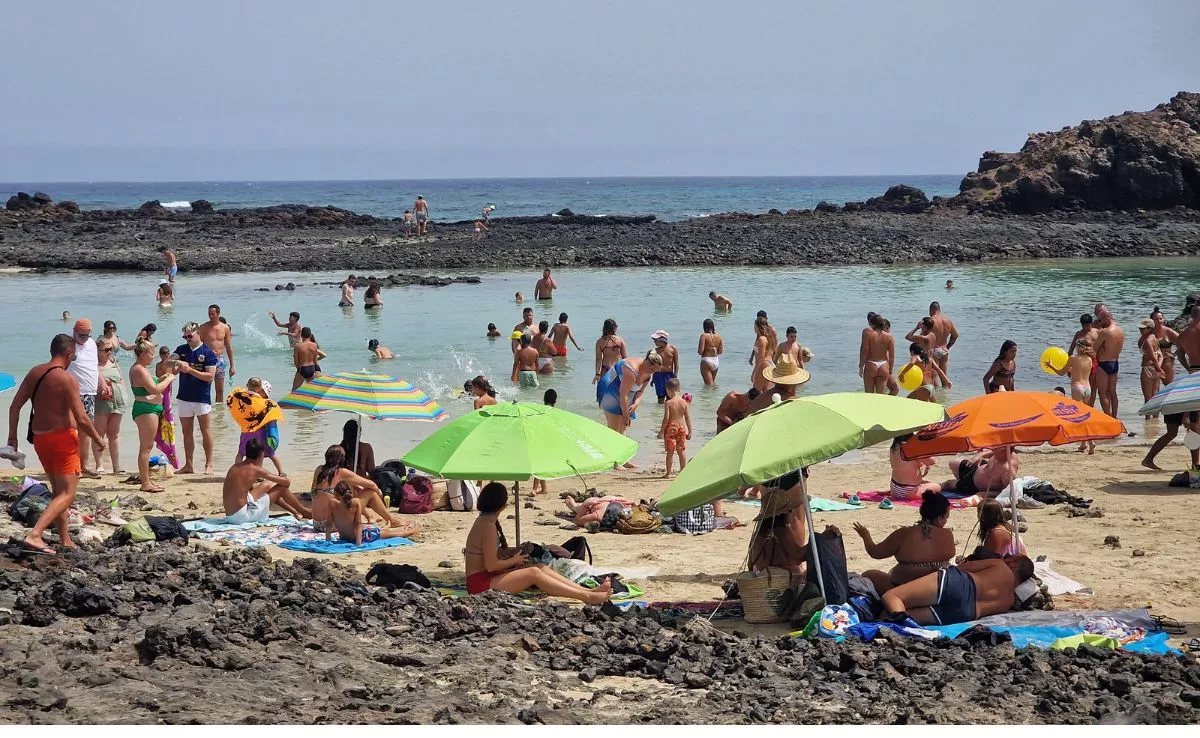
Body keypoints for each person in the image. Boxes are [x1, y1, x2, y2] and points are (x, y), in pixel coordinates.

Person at [6, 334, 107, 554]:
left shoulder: (35, 372)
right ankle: (35, 534)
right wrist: (99, 439)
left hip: (40, 438)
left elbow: (14, 407)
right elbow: (81, 418)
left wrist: (12, 437)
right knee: (68, 494)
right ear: (69, 353)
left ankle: (65, 540)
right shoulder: (67, 378)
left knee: (58, 491)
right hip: (63, 439)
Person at [464, 483, 612, 603]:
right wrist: (515, 560)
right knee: (533, 573)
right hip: (480, 585)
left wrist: (512, 551)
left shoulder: (485, 520)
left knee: (540, 567)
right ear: (502, 505)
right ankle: (586, 597)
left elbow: (489, 554)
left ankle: (587, 591)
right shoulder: (488, 526)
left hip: (486, 577)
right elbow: (491, 566)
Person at [881, 555, 1034, 626]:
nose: (1006, 558)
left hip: (958, 585)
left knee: (892, 596)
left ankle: (898, 621)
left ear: (1014, 563)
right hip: (965, 612)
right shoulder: (1008, 601)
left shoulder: (1000, 566)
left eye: (1010, 557)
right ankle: (903, 628)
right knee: (899, 616)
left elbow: (963, 568)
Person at [854, 491, 955, 594]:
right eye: (946, 517)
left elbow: (875, 552)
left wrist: (865, 536)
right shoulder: (948, 535)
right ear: (939, 519)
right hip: (938, 589)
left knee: (869, 574)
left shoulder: (904, 534)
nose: (946, 521)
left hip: (905, 592)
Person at [310, 445, 409, 532]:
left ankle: (370, 516)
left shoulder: (319, 470)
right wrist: (379, 494)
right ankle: (393, 520)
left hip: (317, 525)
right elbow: (371, 485)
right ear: (342, 459)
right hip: (333, 526)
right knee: (370, 492)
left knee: (350, 488)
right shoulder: (341, 472)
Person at [222, 438, 309, 524]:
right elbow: (286, 482)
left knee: (267, 485)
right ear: (261, 455)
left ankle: (295, 511)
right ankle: (303, 511)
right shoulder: (256, 470)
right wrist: (279, 475)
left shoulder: (235, 467)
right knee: (281, 488)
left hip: (231, 516)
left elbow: (245, 488)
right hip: (242, 517)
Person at [128, 340, 176, 492]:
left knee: (147, 447)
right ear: (142, 354)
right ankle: (145, 483)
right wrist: (168, 379)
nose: (153, 357)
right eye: (150, 354)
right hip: (146, 410)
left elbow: (153, 383)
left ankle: (146, 481)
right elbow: (155, 389)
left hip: (151, 409)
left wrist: (165, 376)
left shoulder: (142, 368)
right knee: (146, 448)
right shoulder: (138, 369)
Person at [173, 321, 218, 475]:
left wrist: (190, 370)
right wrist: (176, 362)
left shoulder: (208, 352)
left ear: (198, 333)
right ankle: (188, 465)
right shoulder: (182, 349)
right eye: (185, 336)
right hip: (184, 396)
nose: (187, 339)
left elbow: (210, 377)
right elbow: (169, 361)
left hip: (201, 397)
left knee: (205, 430)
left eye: (190, 336)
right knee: (187, 432)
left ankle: (209, 464)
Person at [748, 480, 808, 577]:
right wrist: (814, 544)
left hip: (759, 575)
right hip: (778, 578)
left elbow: (750, 562)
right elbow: (797, 557)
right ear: (783, 514)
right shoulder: (783, 532)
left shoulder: (758, 533)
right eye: (790, 510)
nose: (792, 513)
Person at [328, 481, 421, 544]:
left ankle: (387, 526)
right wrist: (358, 543)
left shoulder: (332, 503)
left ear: (335, 494)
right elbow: (358, 523)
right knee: (388, 533)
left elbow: (329, 524)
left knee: (379, 530)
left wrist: (327, 540)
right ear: (351, 493)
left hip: (343, 538)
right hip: (358, 537)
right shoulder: (356, 502)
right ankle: (412, 531)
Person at [1049, 338, 1098, 453]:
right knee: (1085, 415)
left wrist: (1051, 366)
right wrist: (1071, 370)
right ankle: (1083, 443)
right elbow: (1081, 371)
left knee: (1080, 418)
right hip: (1087, 388)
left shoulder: (1072, 358)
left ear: (1079, 347)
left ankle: (1090, 441)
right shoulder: (1090, 360)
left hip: (1077, 388)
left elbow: (1061, 373)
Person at [596, 350, 661, 435]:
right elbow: (623, 395)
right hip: (610, 388)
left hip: (627, 392)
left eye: (655, 371)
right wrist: (626, 416)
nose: (653, 373)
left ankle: (619, 446)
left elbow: (640, 391)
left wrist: (636, 404)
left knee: (623, 429)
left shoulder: (648, 373)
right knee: (614, 429)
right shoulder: (631, 370)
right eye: (652, 370)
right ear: (647, 363)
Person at [68, 319, 102, 479]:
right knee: (71, 430)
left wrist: (102, 383)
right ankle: (72, 466)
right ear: (74, 331)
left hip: (90, 393)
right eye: (81, 335)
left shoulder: (92, 344)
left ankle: (84, 466)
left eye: (87, 335)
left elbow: (94, 366)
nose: (84, 338)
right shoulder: (67, 343)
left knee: (85, 431)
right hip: (73, 393)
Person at [91, 339, 127, 476]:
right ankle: (99, 465)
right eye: (105, 350)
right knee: (99, 434)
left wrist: (123, 392)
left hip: (117, 401)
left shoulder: (113, 361)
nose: (109, 352)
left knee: (114, 434)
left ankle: (116, 466)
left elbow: (121, 378)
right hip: (102, 402)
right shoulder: (94, 365)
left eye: (110, 349)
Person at [234, 377, 283, 475]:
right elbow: (273, 417)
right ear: (260, 389)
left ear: (247, 386)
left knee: (241, 452)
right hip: (260, 433)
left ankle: (237, 472)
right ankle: (280, 472)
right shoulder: (266, 404)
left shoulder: (244, 399)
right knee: (267, 453)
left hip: (246, 432)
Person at [1093, 305, 1125, 418]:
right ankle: (1114, 416)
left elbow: (1094, 349)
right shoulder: (1120, 330)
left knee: (1102, 393)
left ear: (1107, 318)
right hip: (1115, 363)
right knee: (1113, 392)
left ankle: (1108, 417)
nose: (1100, 323)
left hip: (1103, 363)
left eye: (1101, 320)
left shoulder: (1104, 332)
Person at [943, 447, 1018, 496]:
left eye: (996, 450)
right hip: (978, 468)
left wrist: (985, 494)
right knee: (953, 463)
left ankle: (960, 483)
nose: (993, 451)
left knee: (948, 484)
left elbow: (1008, 492)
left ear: (1005, 451)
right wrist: (980, 455)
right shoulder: (1000, 452)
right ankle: (960, 480)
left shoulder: (1007, 470)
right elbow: (990, 452)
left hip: (974, 486)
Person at [199, 304, 235, 403]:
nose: (210, 316)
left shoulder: (225, 328)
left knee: (220, 390)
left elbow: (229, 347)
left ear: (218, 313)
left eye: (212, 314)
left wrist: (232, 365)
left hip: (220, 360)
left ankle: (219, 414)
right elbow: (199, 346)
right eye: (209, 314)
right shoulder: (203, 327)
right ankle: (206, 409)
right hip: (207, 360)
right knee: (205, 389)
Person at [888, 434, 941, 500]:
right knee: (937, 486)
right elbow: (931, 461)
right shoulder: (912, 448)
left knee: (926, 481)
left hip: (894, 488)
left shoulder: (894, 447)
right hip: (909, 492)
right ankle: (905, 494)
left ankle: (897, 492)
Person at [657, 378, 692, 478]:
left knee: (670, 452)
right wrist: (690, 431)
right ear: (679, 389)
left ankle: (668, 473)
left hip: (671, 429)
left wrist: (661, 431)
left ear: (668, 390)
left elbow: (666, 418)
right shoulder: (684, 402)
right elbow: (688, 418)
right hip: (681, 428)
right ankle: (683, 473)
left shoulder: (668, 403)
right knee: (681, 451)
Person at [859, 313, 893, 394]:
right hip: (884, 365)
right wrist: (890, 369)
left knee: (869, 395)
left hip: (871, 364)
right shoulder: (889, 337)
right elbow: (892, 355)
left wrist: (861, 365)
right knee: (880, 397)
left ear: (872, 324)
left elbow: (865, 350)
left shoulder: (868, 334)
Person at [1137, 318, 1165, 414]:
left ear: (1150, 328)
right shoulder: (1154, 338)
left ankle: (1148, 421)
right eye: (1140, 328)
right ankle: (1155, 421)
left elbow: (1153, 358)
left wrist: (1159, 369)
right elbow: (1160, 355)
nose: (1140, 330)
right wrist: (1159, 369)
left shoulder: (1148, 341)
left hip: (1147, 370)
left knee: (1148, 398)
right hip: (1155, 369)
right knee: (1155, 396)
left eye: (1143, 329)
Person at [928, 301, 959, 388]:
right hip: (944, 350)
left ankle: (936, 399)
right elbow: (955, 335)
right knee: (944, 377)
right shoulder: (948, 321)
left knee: (934, 378)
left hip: (934, 350)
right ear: (939, 309)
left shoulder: (931, 321)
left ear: (931, 310)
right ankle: (944, 397)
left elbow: (924, 337)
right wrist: (948, 346)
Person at [593, 318, 627, 386]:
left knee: (604, 393)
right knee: (618, 393)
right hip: (618, 369)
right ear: (614, 328)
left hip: (606, 369)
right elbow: (625, 358)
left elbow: (598, 359)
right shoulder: (620, 340)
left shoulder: (600, 342)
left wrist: (597, 374)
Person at [1151, 307, 1180, 386]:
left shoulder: (1168, 331)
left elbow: (1183, 341)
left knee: (1168, 385)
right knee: (1154, 388)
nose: (1159, 321)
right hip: (1153, 362)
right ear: (1152, 321)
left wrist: (1174, 354)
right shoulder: (1150, 331)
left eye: (1160, 319)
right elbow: (1141, 345)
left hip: (1166, 361)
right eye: (1156, 319)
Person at [650, 330, 679, 404]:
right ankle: (660, 413)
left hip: (669, 375)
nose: (654, 342)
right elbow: (653, 365)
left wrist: (675, 375)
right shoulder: (655, 351)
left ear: (661, 340)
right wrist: (653, 378)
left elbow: (676, 364)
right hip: (658, 375)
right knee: (660, 397)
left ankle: (669, 412)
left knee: (670, 397)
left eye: (655, 340)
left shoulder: (673, 349)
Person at [751, 316, 778, 394]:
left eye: (754, 325)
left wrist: (754, 372)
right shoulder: (767, 338)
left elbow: (761, 357)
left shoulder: (762, 339)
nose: (754, 327)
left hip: (764, 365)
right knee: (766, 393)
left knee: (755, 393)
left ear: (758, 326)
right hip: (769, 364)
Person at [698, 318, 724, 386]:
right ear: (712, 326)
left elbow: (700, 351)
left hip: (706, 361)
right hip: (716, 361)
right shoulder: (719, 336)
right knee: (712, 384)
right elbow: (720, 352)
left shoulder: (704, 336)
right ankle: (715, 396)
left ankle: (708, 397)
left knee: (709, 386)